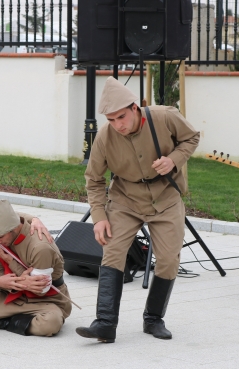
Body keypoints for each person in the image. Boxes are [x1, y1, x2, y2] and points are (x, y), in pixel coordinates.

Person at [75, 77, 200, 343]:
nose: (117, 125)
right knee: (113, 252)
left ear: (135, 108)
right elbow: (94, 180)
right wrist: (98, 218)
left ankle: (153, 319)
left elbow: (191, 137)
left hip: (165, 197)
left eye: (121, 117)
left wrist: (174, 160)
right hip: (125, 199)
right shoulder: (104, 138)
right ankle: (105, 323)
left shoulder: (165, 116)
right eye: (111, 120)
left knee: (168, 259)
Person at [0, 200, 72, 337]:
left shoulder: (40, 248)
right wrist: (18, 283)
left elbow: (40, 290)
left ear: (15, 227)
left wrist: (11, 262)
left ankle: (5, 321)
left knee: (50, 324)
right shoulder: (0, 237)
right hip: (12, 295)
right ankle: (16, 321)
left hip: (46, 301)